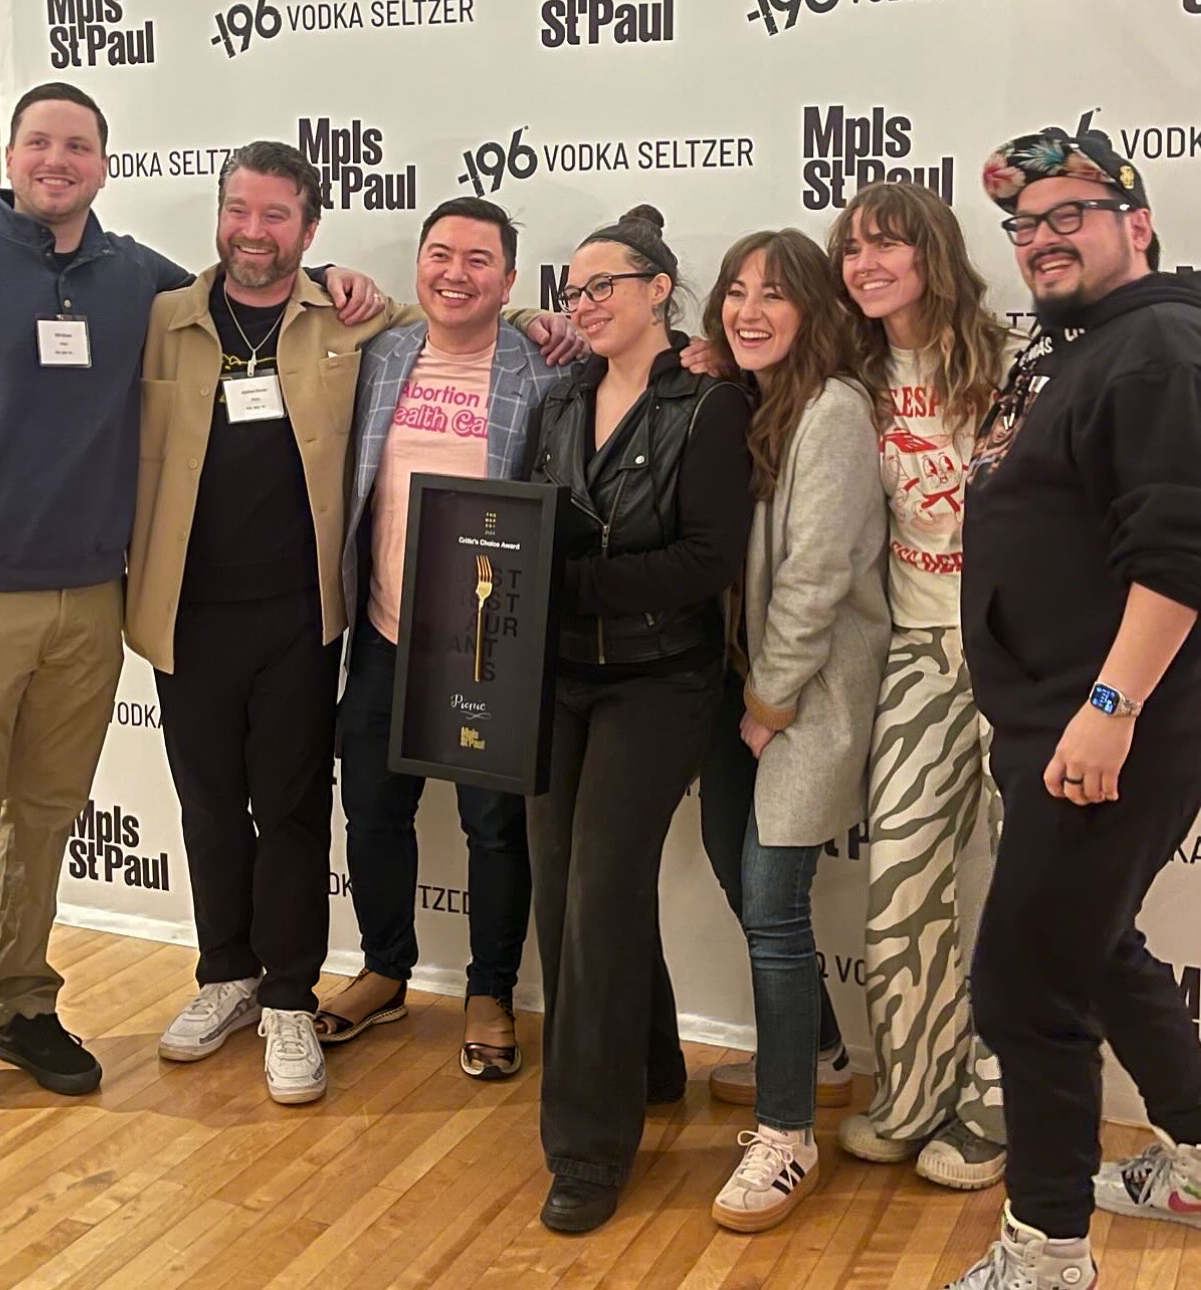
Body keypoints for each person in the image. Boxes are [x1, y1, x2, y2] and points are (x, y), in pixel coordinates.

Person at [0, 81, 391, 1144]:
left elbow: (340, 308)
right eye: (40, 141)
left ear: (104, 163)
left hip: (101, 602)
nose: (57, 160)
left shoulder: (141, 283)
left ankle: (28, 1008)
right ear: (12, 153)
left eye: (77, 145)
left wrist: (360, 286)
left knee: (48, 819)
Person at [124, 141, 447, 1104]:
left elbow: (460, 321)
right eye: (239, 210)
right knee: (208, 805)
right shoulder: (162, 318)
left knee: (295, 808)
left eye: (274, 215)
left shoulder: (351, 316)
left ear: (309, 228)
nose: (251, 231)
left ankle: (289, 998)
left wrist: (547, 323)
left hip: (302, 619)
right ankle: (224, 975)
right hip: (186, 613)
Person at [945, 127, 1201, 1289]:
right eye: (1026, 224)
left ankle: (1047, 1251)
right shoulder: (1077, 346)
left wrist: (1110, 705)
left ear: (1135, 223)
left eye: (1071, 216)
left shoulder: (1157, 347)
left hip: (1106, 723)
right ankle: (1196, 1157)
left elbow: (1182, 551)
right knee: (1091, 950)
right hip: (1047, 715)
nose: (1042, 238)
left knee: (1025, 985)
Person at [524, 205, 753, 1233]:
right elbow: (522, 524)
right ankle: (652, 1063)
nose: (584, 305)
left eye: (603, 286)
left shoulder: (709, 405)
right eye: (573, 291)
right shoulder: (558, 399)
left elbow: (707, 560)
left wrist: (573, 586)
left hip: (661, 681)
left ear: (660, 289)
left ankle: (587, 1148)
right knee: (563, 890)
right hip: (556, 678)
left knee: (601, 895)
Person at [313, 197, 568, 1083]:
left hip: (490, 645)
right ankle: (385, 970)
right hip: (385, 631)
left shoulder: (544, 368)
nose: (455, 274)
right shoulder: (381, 354)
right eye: (440, 255)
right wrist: (330, 274)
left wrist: (546, 323)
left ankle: (490, 992)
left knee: (493, 826)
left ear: (509, 277)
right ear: (418, 264)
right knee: (372, 808)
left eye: (478, 260)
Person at [824, 182, 1014, 1190]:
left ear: (932, 251)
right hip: (916, 647)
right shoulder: (848, 371)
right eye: (852, 247)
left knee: (1029, 892)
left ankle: (1002, 1098)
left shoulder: (1011, 361)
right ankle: (917, 1088)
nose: (866, 264)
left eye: (887, 244)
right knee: (898, 883)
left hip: (1023, 658)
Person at [697, 230, 887, 1232]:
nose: (749, 310)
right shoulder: (753, 402)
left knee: (773, 903)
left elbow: (815, 578)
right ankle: (819, 1055)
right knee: (740, 878)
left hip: (806, 698)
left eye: (774, 293)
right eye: (736, 291)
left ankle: (787, 1135)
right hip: (744, 686)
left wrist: (769, 705)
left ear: (815, 309)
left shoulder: (835, 410)